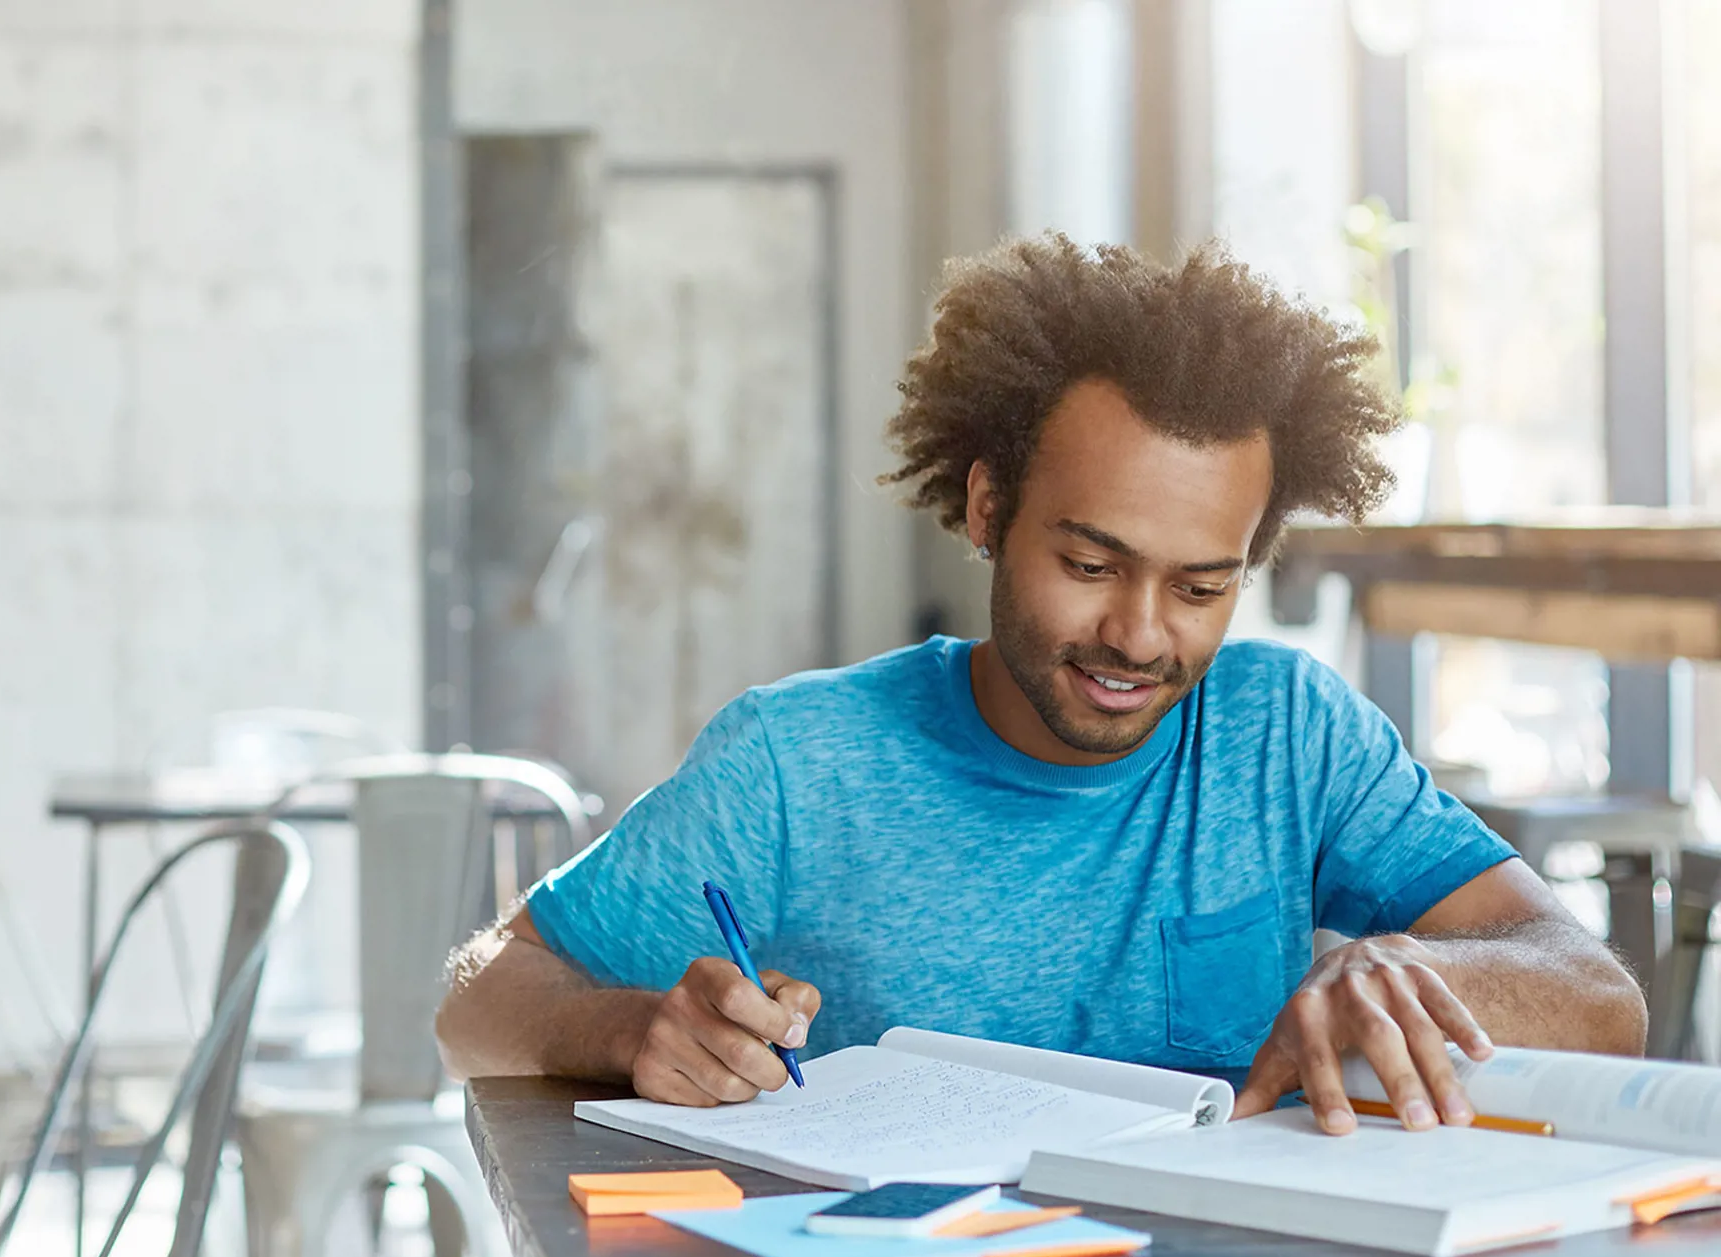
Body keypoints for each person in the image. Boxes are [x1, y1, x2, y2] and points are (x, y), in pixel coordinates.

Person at [435, 235, 1645, 1136]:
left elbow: (1600, 993)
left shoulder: (1292, 734)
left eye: (1200, 586)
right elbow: (478, 998)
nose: (1138, 634)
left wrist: (1419, 969)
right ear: (985, 506)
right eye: (1090, 563)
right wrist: (625, 1027)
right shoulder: (798, 762)